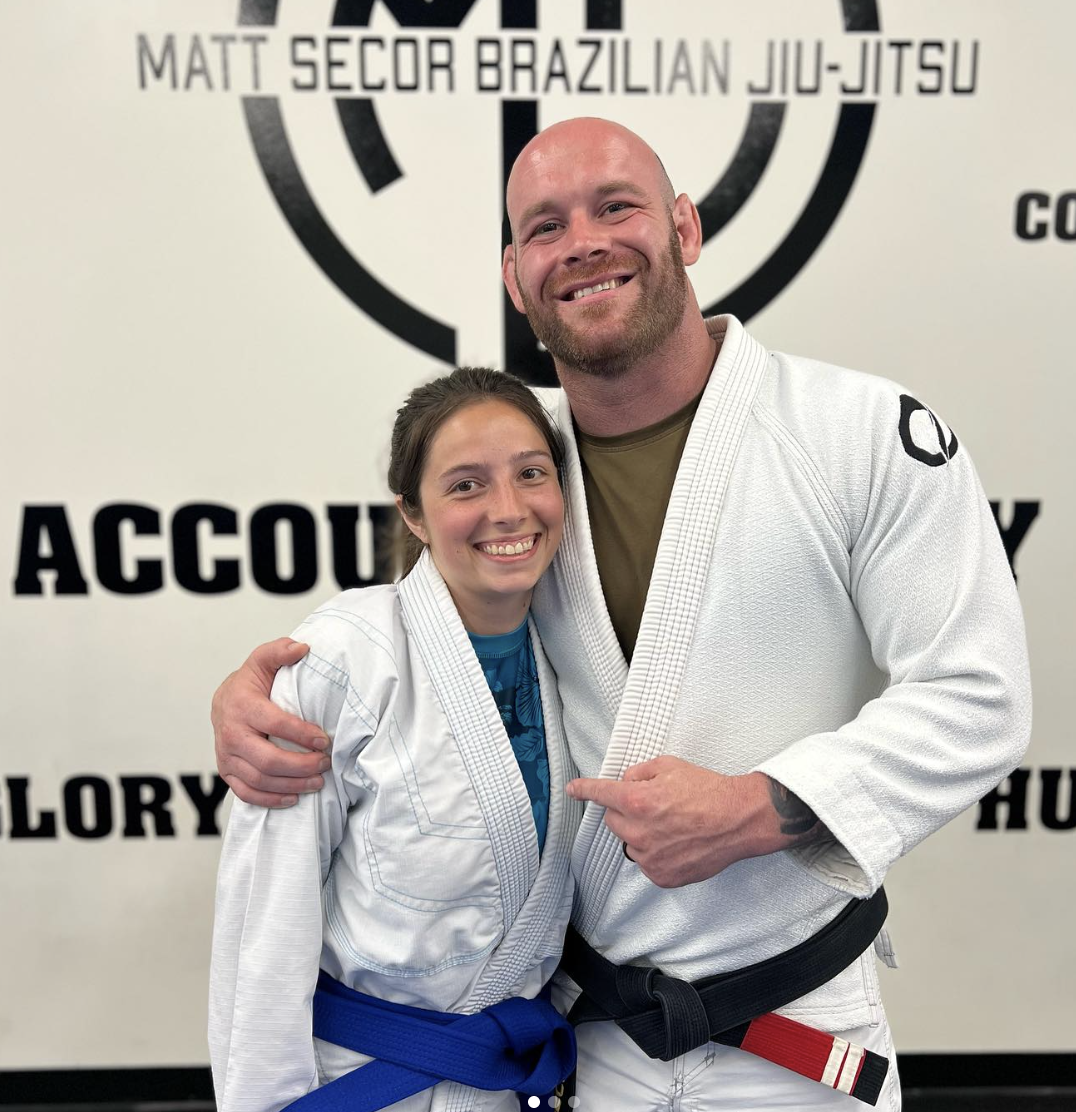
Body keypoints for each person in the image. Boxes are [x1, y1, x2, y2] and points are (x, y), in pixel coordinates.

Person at [212, 118, 1032, 1110]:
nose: (583, 242)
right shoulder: (520, 473)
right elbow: (410, 639)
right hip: (593, 1043)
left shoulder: (853, 430)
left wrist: (757, 805)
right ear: (516, 276)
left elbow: (977, 693)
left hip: (795, 1026)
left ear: (683, 226)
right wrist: (266, 698)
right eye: (546, 226)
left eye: (615, 206)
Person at [209, 367, 581, 1112]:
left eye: (531, 474)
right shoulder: (342, 661)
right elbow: (262, 932)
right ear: (412, 512)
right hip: (360, 1084)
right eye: (466, 485)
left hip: (519, 1081)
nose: (508, 510)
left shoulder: (584, 651)